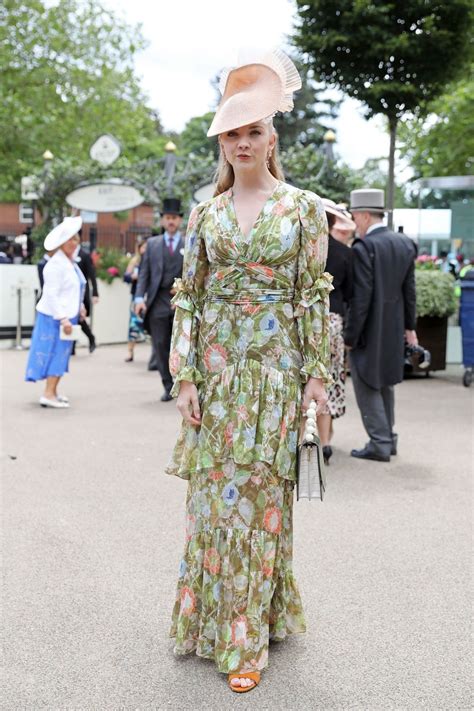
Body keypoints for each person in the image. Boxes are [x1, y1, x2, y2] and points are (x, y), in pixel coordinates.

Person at [165, 49, 332, 693]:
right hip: (217, 377)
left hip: (276, 379)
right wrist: (184, 376)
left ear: (272, 136)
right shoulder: (205, 215)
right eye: (231, 132)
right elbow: (191, 296)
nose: (241, 142)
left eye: (252, 130)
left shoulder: (303, 210)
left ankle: (248, 636)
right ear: (222, 141)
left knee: (262, 505)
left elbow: (312, 295)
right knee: (214, 503)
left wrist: (316, 378)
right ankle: (218, 619)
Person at [344, 189, 417, 461]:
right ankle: (389, 438)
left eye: (354, 216)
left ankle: (379, 443)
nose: (354, 222)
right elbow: (410, 292)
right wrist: (410, 328)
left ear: (363, 215)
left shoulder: (365, 247)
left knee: (366, 382)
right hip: (394, 326)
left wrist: (350, 336)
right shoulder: (404, 243)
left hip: (369, 329)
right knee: (386, 381)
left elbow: (360, 298)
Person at [25, 216, 86, 408]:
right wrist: (63, 319)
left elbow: (75, 289)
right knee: (53, 354)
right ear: (61, 243)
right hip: (56, 318)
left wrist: (80, 307)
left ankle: (53, 392)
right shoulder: (55, 265)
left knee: (62, 355)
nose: (74, 243)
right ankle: (48, 394)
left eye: (76, 239)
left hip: (65, 317)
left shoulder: (70, 263)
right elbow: (51, 295)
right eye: (70, 240)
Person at [135, 198, 185, 401]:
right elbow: (144, 273)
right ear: (163, 221)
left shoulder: (188, 241)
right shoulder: (152, 245)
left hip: (182, 301)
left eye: (174, 218)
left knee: (183, 346)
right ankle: (168, 385)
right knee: (160, 344)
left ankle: (184, 385)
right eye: (167, 218)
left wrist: (185, 288)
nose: (171, 221)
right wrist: (139, 298)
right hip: (157, 301)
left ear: (180, 220)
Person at [318, 198, 354, 464]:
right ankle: (326, 441)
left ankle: (303, 438)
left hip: (305, 319)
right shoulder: (344, 253)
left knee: (303, 380)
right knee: (328, 379)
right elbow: (352, 294)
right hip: (333, 321)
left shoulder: (304, 249)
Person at [74, 235, 99, 354]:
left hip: (81, 293)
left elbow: (91, 275)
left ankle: (90, 337)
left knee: (79, 318)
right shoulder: (67, 255)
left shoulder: (84, 255)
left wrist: (95, 293)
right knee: (73, 318)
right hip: (70, 293)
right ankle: (73, 346)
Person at [123, 237, 147, 362]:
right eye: (143, 247)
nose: (145, 249)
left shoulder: (153, 261)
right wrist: (132, 276)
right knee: (134, 325)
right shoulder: (135, 261)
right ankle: (130, 352)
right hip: (136, 296)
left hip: (149, 296)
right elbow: (125, 276)